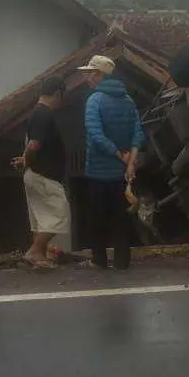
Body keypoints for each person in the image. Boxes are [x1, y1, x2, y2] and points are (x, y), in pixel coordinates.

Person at [77, 55, 144, 270]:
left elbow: (96, 134)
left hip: (98, 171)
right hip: (121, 173)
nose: (86, 77)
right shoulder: (128, 100)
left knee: (97, 218)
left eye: (89, 73)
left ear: (99, 75)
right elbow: (137, 133)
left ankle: (99, 260)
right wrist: (130, 161)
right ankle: (122, 262)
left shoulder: (94, 100)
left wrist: (118, 155)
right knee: (121, 219)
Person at [11, 75, 69, 270]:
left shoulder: (35, 113)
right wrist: (26, 158)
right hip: (44, 174)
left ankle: (40, 256)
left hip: (37, 173)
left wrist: (24, 158)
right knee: (60, 214)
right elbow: (35, 144)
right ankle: (35, 251)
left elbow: (33, 143)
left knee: (42, 218)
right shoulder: (44, 114)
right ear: (58, 93)